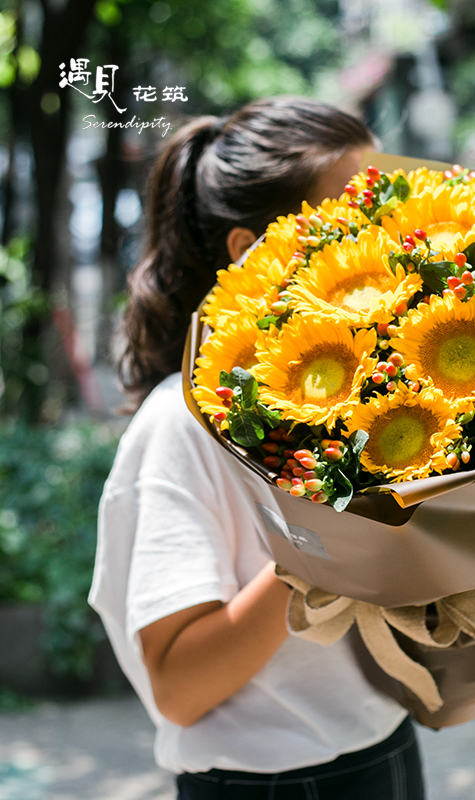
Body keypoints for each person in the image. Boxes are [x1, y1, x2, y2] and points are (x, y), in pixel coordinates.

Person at [89, 96, 426, 800]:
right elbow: (179, 689)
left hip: (383, 747)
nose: (387, 239)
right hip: (264, 785)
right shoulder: (181, 427)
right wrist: (328, 535)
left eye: (386, 209)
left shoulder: (368, 388)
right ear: (250, 253)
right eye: (353, 218)